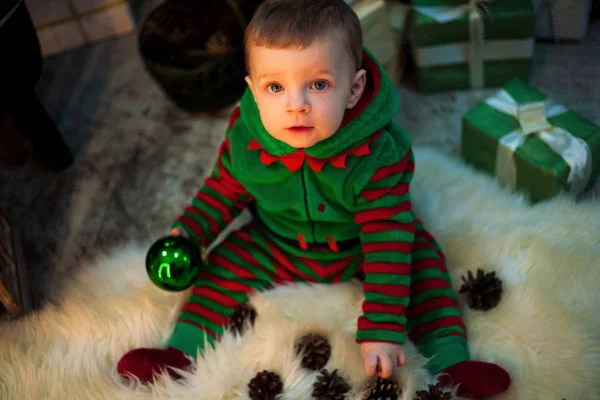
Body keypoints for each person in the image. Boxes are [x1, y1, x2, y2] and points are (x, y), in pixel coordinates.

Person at [117, 0, 511, 397]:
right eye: (275, 86)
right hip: (276, 242)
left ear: (354, 89)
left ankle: (451, 360)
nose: (296, 104)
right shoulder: (247, 136)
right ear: (252, 90)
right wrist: (191, 231)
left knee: (419, 263)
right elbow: (223, 188)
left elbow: (386, 235)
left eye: (319, 84)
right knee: (223, 266)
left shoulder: (377, 155)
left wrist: (382, 326)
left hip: (358, 245)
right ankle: (180, 352)